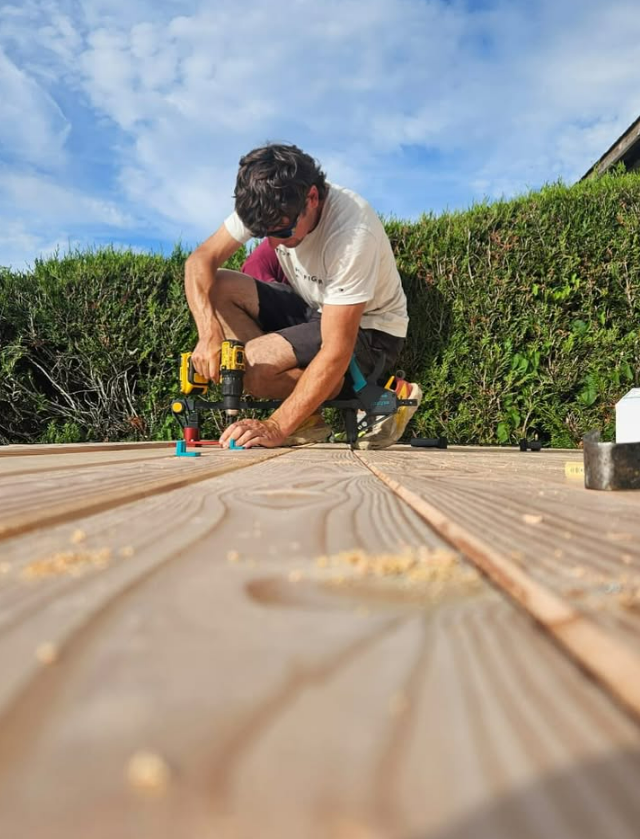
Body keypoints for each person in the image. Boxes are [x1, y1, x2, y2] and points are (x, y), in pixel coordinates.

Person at [184, 142, 422, 449]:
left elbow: (336, 351)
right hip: (317, 310)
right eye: (263, 235)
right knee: (219, 285)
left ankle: (376, 399)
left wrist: (276, 426)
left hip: (371, 331)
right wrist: (208, 333)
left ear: (311, 197)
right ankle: (309, 419)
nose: (274, 244)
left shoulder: (351, 233)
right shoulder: (268, 201)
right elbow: (199, 261)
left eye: (282, 232)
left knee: (252, 366)